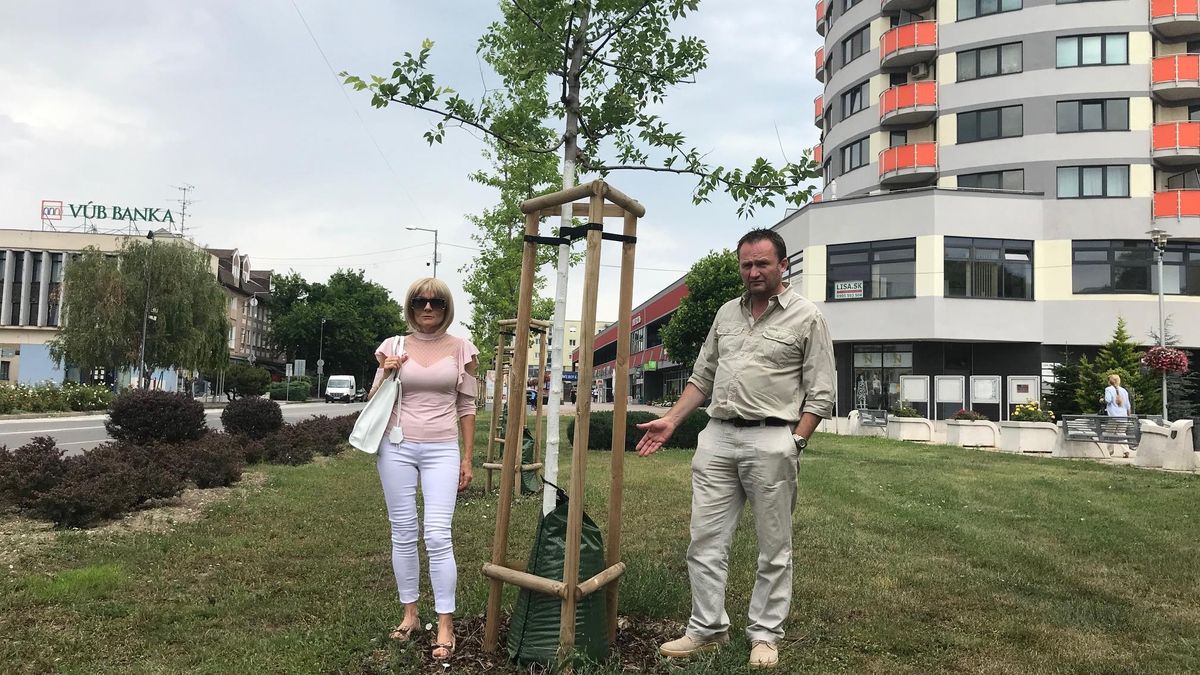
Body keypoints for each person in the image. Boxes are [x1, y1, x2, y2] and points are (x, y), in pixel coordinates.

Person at [634, 229, 835, 670]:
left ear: (784, 265)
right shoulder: (727, 314)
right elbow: (702, 376)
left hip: (773, 438)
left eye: (763, 263)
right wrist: (672, 420)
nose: (754, 271)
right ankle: (706, 628)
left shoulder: (807, 318)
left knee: (774, 546)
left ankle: (764, 634)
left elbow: (822, 392)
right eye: (746, 264)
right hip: (718, 437)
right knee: (704, 540)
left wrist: (795, 441)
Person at [368, 277, 479, 661]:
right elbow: (373, 399)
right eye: (419, 302)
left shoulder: (462, 349)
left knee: (436, 534)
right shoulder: (392, 346)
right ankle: (410, 614)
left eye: (435, 302)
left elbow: (467, 407)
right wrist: (387, 371)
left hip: (442, 449)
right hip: (395, 447)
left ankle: (445, 622)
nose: (427, 308)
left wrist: (467, 458)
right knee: (403, 532)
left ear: (447, 308)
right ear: (410, 306)